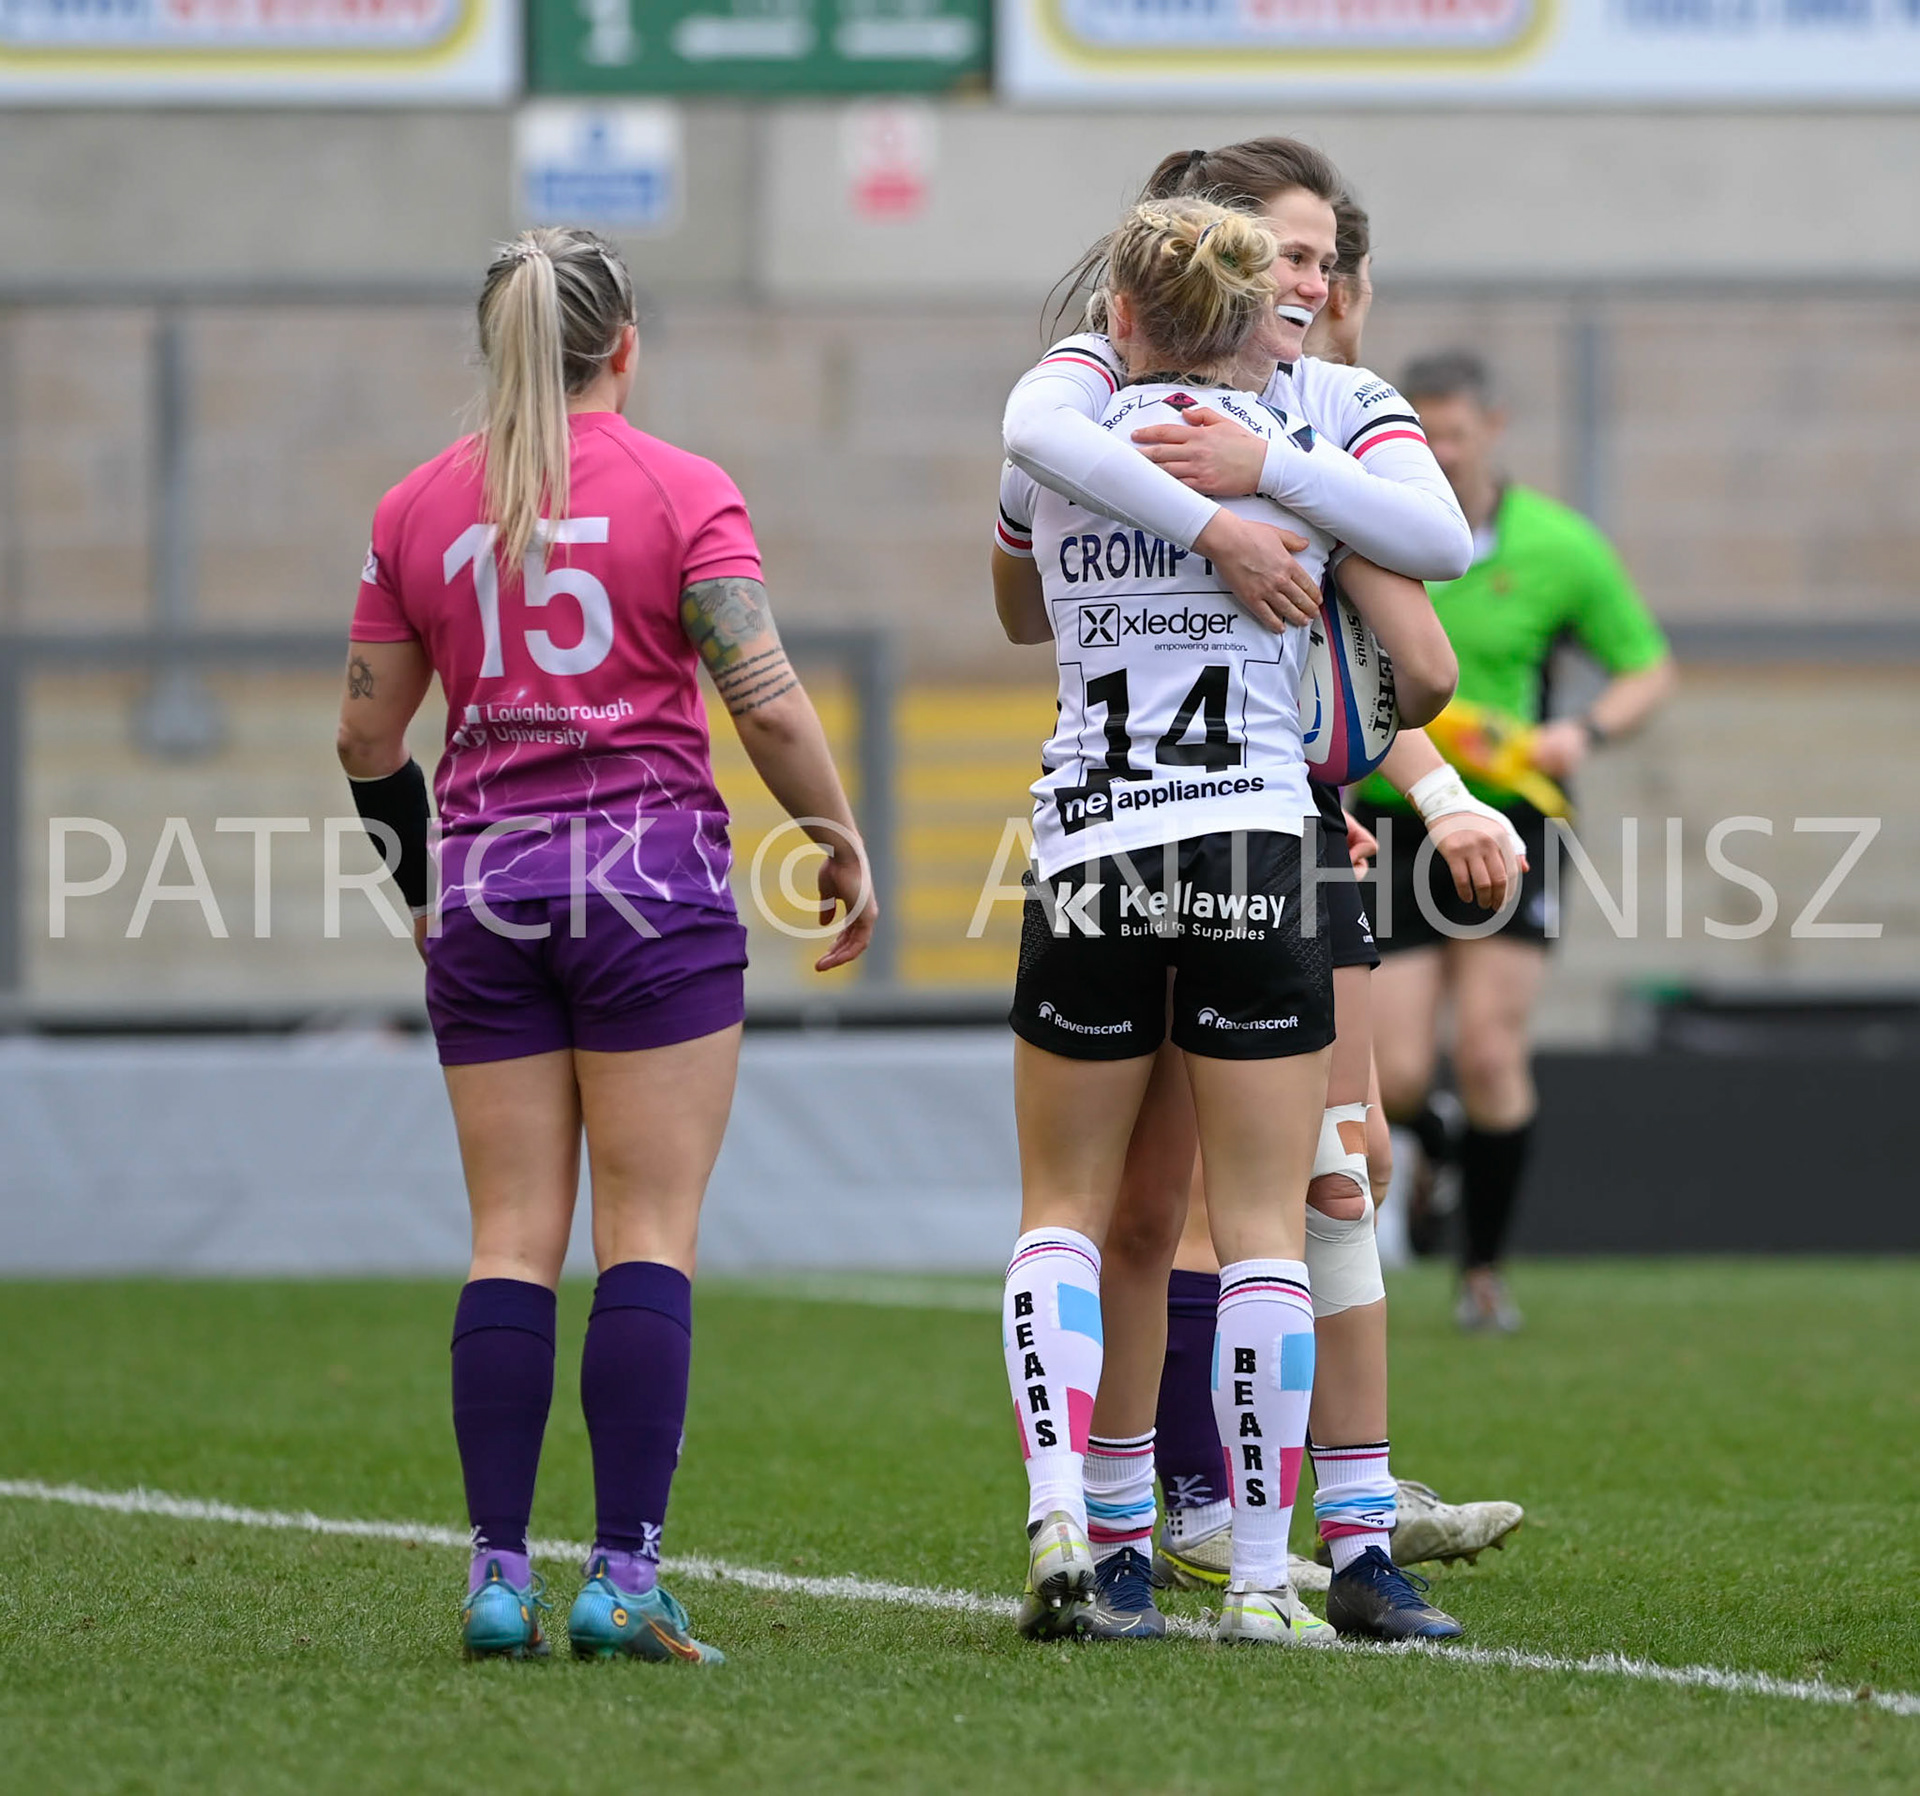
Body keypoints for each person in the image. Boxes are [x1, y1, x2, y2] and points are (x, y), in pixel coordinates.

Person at [996, 144, 1524, 1641]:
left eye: (1316, 262)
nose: (1303, 288)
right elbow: (1429, 628)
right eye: (1277, 262)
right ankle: (1251, 1553)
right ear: (1248, 293)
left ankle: (1152, 1531)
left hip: (1096, 844)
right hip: (1255, 839)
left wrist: (1233, 500)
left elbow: (1023, 552)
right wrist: (1238, 518)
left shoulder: (1084, 419)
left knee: (1118, 1211)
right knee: (1253, 1218)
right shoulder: (1299, 446)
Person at [336, 227, 875, 1664]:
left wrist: (420, 894)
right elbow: (760, 701)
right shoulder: (683, 489)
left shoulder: (415, 509)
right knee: (649, 1236)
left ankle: (497, 1579)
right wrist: (837, 834)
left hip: (490, 893)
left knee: (510, 1239)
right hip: (653, 887)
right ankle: (623, 1578)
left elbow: (364, 737)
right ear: (624, 342)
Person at [1359, 349, 1675, 1330]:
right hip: (1393, 817)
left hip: (1512, 817)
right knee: (1399, 1073)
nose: (1442, 452)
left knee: (1493, 1050)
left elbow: (1644, 665)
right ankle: (1436, 1139)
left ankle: (1482, 1270)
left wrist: (1588, 730)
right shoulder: (1373, 525)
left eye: (1456, 432)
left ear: (1492, 428)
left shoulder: (1557, 545)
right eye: (1426, 433)